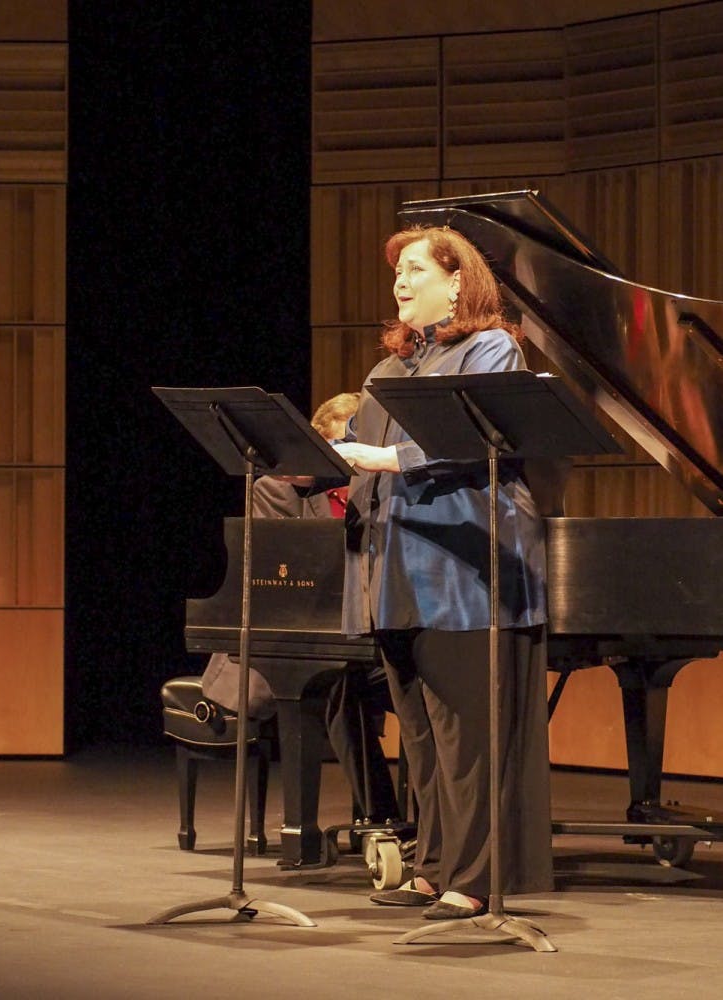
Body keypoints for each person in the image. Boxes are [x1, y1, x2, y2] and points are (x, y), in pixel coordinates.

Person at [318, 224, 552, 919]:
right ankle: (431, 866)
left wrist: (384, 460)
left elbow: (474, 443)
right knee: (419, 730)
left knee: (466, 736)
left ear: (458, 282)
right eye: (398, 273)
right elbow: (363, 470)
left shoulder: (490, 347)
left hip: (464, 568)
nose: (401, 282)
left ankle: (474, 879)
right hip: (392, 567)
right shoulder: (386, 374)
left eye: (417, 269)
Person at [201, 391, 400, 824]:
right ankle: (379, 822)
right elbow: (285, 574)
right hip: (308, 630)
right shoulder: (280, 490)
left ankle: (422, 829)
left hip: (382, 628)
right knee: (338, 691)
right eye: (332, 452)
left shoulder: (386, 490)